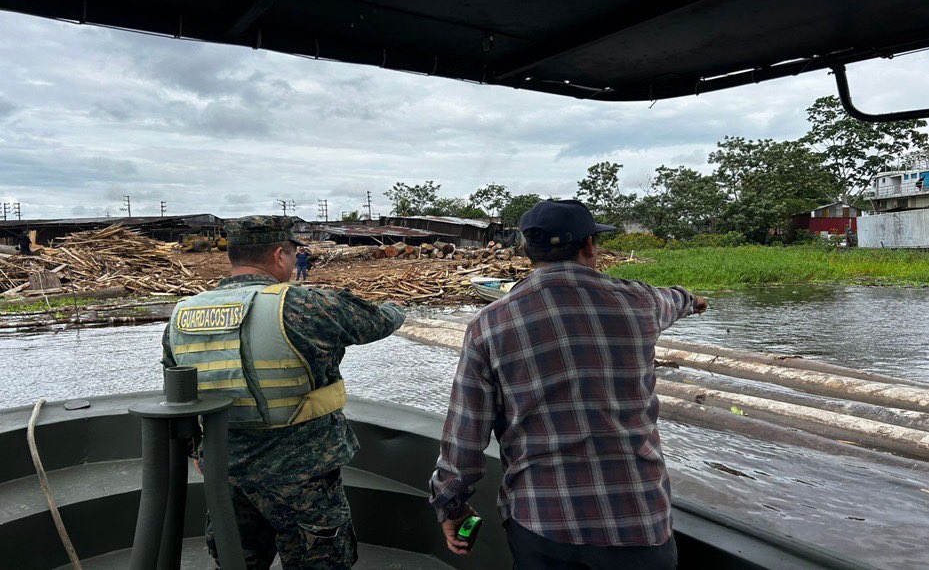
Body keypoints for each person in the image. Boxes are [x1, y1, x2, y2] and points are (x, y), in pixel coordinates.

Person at [429, 200, 707, 569]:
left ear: (527, 251)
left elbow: (465, 437)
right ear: (590, 245)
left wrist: (451, 505)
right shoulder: (640, 302)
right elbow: (674, 299)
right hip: (640, 520)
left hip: (543, 522)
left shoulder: (489, 324)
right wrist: (694, 300)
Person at [162, 215, 405, 569]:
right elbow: (380, 321)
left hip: (226, 471)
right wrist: (398, 309)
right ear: (279, 255)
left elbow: (179, 392)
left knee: (237, 559)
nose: (293, 264)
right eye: (293, 256)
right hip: (303, 473)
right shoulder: (304, 305)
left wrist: (198, 448)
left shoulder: (181, 316)